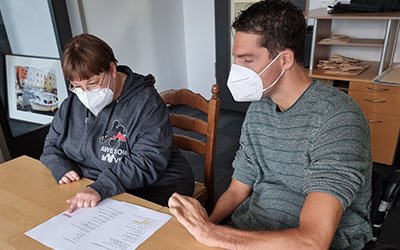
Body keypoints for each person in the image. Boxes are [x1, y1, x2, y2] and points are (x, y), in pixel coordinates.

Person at [168, 0, 372, 249]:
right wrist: (201, 230)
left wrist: (211, 233)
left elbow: (313, 241)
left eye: (247, 60)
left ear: (284, 59)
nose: (236, 71)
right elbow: (237, 188)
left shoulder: (338, 120)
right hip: (252, 229)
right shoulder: (259, 109)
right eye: (236, 60)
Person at [40, 34, 194, 213]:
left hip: (151, 187)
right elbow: (51, 145)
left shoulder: (146, 104)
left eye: (93, 84)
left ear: (112, 69)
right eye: (77, 87)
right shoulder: (72, 104)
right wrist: (60, 167)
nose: (85, 94)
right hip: (94, 186)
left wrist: (100, 187)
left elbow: (146, 160)